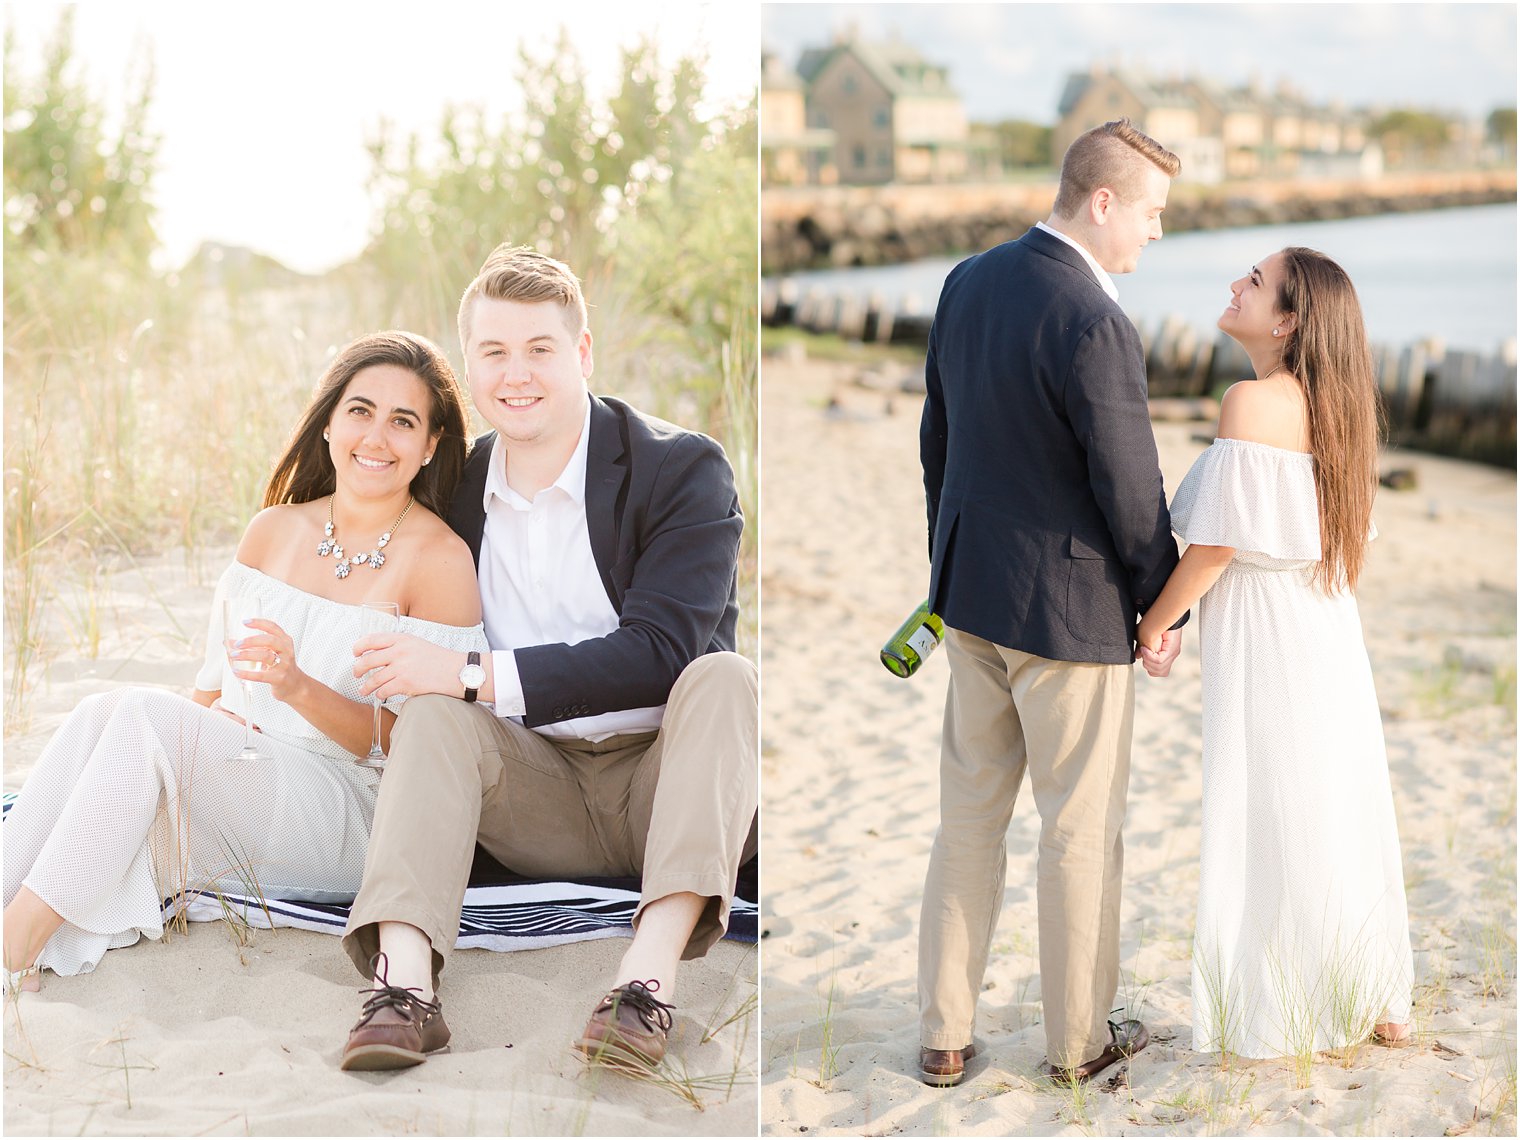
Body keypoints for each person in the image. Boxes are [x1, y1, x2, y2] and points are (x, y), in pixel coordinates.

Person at [336, 244, 757, 1073]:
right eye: (493, 352)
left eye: (539, 350)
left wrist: (465, 674)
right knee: (431, 712)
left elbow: (660, 652)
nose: (515, 374)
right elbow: (350, 503)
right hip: (534, 792)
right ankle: (404, 992)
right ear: (471, 363)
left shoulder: (680, 469)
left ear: (583, 354)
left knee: (725, 676)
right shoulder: (454, 487)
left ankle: (644, 987)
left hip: (664, 784)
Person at [3, 332, 486, 993]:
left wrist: (296, 687)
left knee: (141, 716)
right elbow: (205, 693)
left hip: (354, 809)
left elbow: (430, 749)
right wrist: (201, 751)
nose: (377, 436)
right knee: (104, 711)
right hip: (251, 769)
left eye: (403, 421)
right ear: (328, 425)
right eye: (361, 411)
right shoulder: (272, 531)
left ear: (430, 445)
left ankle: (13, 950)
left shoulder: (440, 561)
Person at [916, 118, 1186, 1088]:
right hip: (1068, 618)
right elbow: (1129, 489)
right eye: (1150, 213)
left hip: (971, 599)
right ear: (1101, 200)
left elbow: (935, 447)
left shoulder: (966, 280)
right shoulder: (1094, 319)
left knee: (969, 819)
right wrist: (1164, 609)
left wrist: (946, 571)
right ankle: (1077, 1045)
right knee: (1077, 831)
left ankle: (943, 1035)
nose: (1154, 233)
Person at [1136, 247, 1414, 1058]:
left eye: (1253, 283)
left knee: (1269, 805)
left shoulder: (1251, 401)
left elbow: (1217, 546)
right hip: (1323, 622)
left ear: (1288, 319)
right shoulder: (1338, 408)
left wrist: (1157, 624)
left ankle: (1288, 1000)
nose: (1233, 286)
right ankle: (1369, 990)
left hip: (1267, 631)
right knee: (1334, 799)